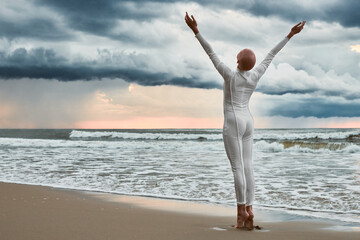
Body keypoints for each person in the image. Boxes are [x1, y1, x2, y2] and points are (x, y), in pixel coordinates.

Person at [185, 12, 305, 230]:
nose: (235, 58)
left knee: (237, 168)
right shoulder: (256, 74)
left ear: (238, 61)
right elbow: (271, 54)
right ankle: (250, 208)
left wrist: (196, 31)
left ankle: (241, 211)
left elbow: (210, 52)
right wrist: (290, 35)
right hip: (249, 120)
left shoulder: (230, 75)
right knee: (249, 167)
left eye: (237, 56)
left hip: (234, 121)